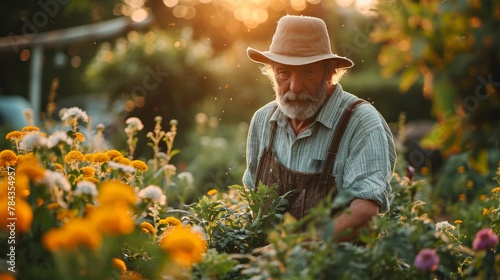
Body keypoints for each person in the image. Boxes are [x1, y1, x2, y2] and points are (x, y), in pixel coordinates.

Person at [243, 15, 396, 241]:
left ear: (329, 73)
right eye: (284, 72)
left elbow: (364, 214)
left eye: (307, 72)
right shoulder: (263, 121)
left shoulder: (360, 122)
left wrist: (292, 251)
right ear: (272, 72)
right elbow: (253, 200)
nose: (294, 87)